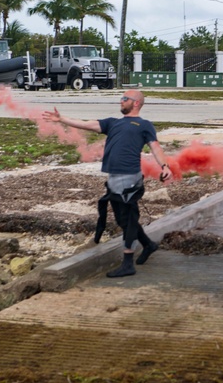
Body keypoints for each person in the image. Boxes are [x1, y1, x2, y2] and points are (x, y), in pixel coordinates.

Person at [42, 91, 172, 277]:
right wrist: (62, 119)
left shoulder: (144, 125)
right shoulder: (113, 122)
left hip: (130, 177)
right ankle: (149, 244)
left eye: (125, 98)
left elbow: (155, 147)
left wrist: (165, 166)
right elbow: (88, 124)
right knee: (122, 219)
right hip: (113, 177)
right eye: (121, 98)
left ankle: (128, 264)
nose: (121, 101)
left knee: (128, 218)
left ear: (136, 103)